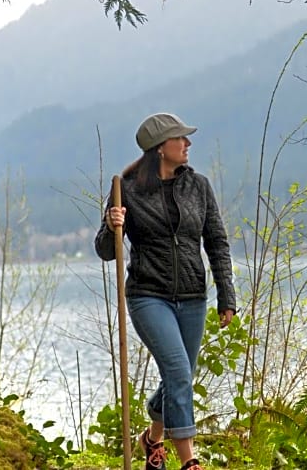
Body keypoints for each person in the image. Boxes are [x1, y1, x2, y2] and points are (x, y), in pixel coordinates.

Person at [95, 112, 237, 470]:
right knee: (177, 370)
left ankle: (152, 439)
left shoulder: (198, 187)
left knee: (180, 377)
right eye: (181, 139)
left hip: (192, 296)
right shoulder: (125, 190)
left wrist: (226, 296)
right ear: (160, 148)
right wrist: (112, 225)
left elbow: (217, 242)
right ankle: (189, 462)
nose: (188, 144)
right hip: (148, 295)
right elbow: (105, 250)